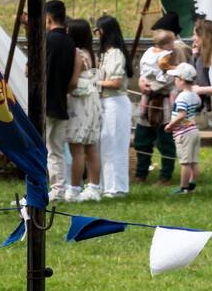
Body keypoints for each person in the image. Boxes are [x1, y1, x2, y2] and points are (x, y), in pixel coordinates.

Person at [134, 27, 182, 187]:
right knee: (142, 140)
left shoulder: (171, 56)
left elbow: (170, 77)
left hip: (164, 102)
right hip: (146, 102)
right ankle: (141, 174)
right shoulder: (150, 54)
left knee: (166, 141)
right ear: (167, 43)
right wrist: (142, 82)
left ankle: (165, 177)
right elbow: (144, 71)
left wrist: (152, 86)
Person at [95, 14, 133, 198]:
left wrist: (94, 83)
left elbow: (116, 82)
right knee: (106, 144)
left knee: (115, 144)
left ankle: (117, 187)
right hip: (106, 103)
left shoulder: (116, 54)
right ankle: (106, 185)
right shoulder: (106, 54)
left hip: (115, 102)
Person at [64, 19, 101, 202]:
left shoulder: (77, 53)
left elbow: (73, 80)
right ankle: (94, 186)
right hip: (93, 102)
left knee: (76, 147)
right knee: (91, 146)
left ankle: (75, 187)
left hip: (79, 103)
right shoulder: (91, 53)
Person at [45, 0, 78, 203]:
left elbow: (31, 69)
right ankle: (58, 188)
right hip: (61, 101)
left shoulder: (47, 40)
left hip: (45, 102)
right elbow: (72, 80)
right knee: (56, 150)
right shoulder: (70, 42)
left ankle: (50, 188)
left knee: (45, 149)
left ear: (48, 18)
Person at [164, 62, 202, 194]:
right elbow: (198, 105)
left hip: (184, 133)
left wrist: (170, 125)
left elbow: (182, 114)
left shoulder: (181, 97)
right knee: (193, 162)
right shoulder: (194, 95)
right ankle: (191, 186)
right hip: (194, 131)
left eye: (175, 78)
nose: (174, 81)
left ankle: (183, 188)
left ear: (181, 80)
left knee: (185, 163)